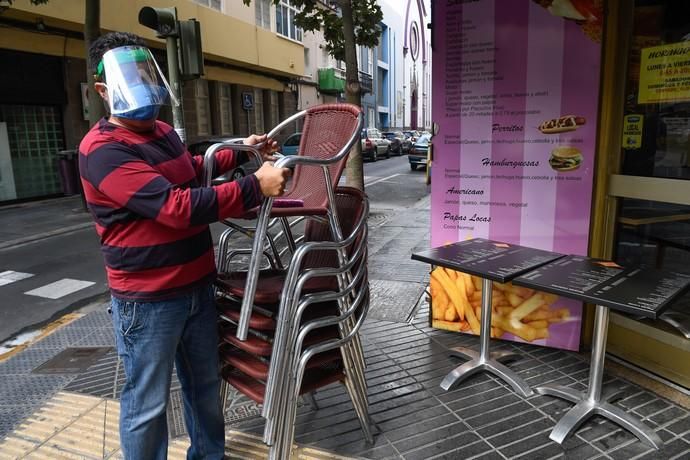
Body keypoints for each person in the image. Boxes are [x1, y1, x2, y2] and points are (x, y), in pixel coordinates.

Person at [78, 32, 290, 460]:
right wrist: (255, 186)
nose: (142, 85)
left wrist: (241, 153)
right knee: (147, 404)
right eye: (130, 76)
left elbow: (191, 171)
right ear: (104, 90)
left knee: (205, 389)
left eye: (144, 73)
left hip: (196, 289)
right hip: (148, 302)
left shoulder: (160, 132)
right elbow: (174, 206)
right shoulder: (102, 150)